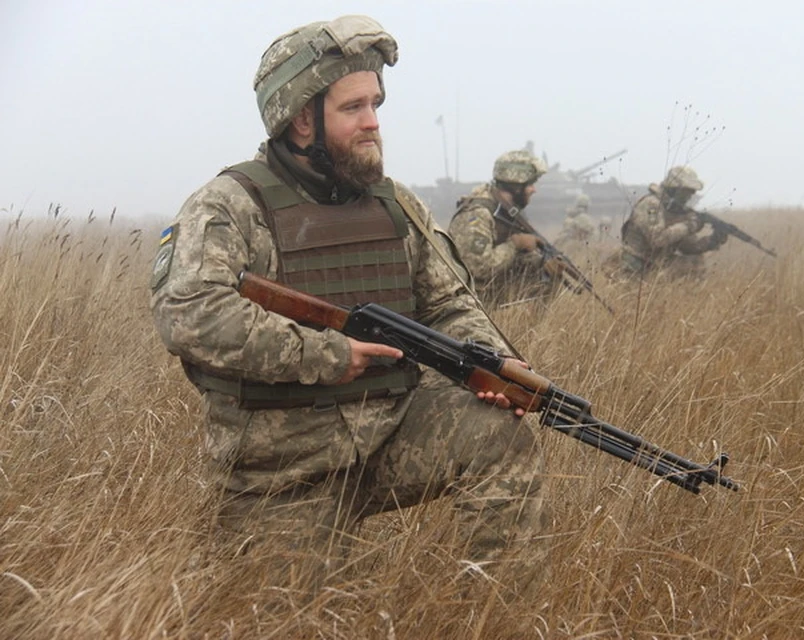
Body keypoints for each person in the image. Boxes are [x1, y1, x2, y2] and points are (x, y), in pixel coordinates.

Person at [149, 16, 547, 597]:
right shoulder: (230, 206)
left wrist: (492, 365)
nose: (373, 123)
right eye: (354, 107)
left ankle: (496, 617)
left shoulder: (393, 204)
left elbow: (450, 301)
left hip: (390, 437)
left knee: (500, 434)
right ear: (302, 117)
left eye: (376, 104)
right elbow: (190, 313)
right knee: (273, 615)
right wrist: (330, 353)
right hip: (283, 468)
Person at [447, 150, 562, 306]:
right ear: (516, 186)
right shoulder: (477, 215)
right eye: (530, 184)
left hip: (493, 296)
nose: (534, 190)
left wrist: (543, 263)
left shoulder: (508, 212)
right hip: (468, 304)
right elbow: (478, 267)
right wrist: (515, 244)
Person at [616, 165, 727, 279]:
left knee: (695, 261)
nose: (689, 196)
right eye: (686, 191)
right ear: (673, 189)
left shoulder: (674, 210)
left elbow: (688, 246)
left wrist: (712, 241)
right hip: (636, 266)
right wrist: (690, 225)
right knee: (691, 264)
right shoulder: (651, 204)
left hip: (655, 264)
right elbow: (657, 239)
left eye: (692, 192)